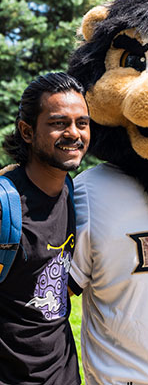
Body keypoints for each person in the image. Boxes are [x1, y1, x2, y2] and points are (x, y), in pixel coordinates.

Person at [0, 72, 90, 385]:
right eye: (58, 123)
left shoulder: (72, 190)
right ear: (27, 131)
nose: (74, 133)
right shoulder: (4, 207)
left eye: (82, 122)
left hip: (63, 374)